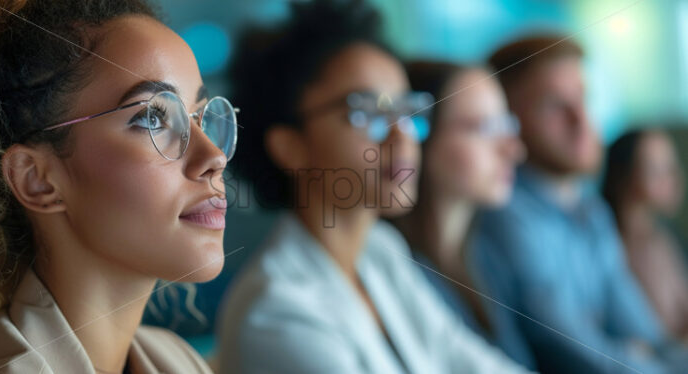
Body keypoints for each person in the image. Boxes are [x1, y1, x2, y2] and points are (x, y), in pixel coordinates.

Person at [216, 1, 532, 373]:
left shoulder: (382, 253)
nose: (402, 136)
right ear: (290, 146)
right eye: (366, 113)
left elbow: (472, 361)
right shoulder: (276, 313)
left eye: (407, 110)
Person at [0, 1, 238, 373]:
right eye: (150, 118)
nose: (214, 157)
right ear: (37, 180)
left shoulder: (177, 360)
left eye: (200, 116)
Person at [473, 36, 688, 373]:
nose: (581, 120)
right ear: (509, 121)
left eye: (584, 99)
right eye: (555, 107)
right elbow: (579, 355)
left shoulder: (592, 212)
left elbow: (648, 336)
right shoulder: (504, 216)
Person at [391, 61, 532, 369]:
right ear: (418, 139)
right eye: (483, 127)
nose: (513, 149)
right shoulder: (394, 269)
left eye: (507, 125)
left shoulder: (488, 259)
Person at [603, 129, 688, 341]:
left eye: (671, 166)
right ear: (623, 176)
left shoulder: (661, 237)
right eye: (656, 169)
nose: (674, 178)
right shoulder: (613, 246)